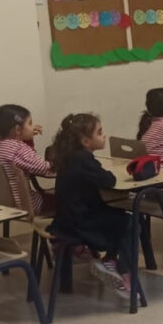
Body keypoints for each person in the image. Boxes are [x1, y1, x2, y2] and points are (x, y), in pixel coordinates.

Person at [49, 113, 131, 299]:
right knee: (131, 222)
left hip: (64, 221)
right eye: (99, 132)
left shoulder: (70, 157)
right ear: (86, 141)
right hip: (81, 224)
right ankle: (119, 268)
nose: (104, 135)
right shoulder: (84, 160)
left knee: (119, 215)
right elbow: (109, 180)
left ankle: (110, 261)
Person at [0, 104, 54, 214]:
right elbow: (46, 169)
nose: (33, 127)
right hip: (25, 204)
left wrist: (27, 137)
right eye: (30, 123)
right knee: (69, 197)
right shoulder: (18, 149)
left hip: (2, 203)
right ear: (18, 129)